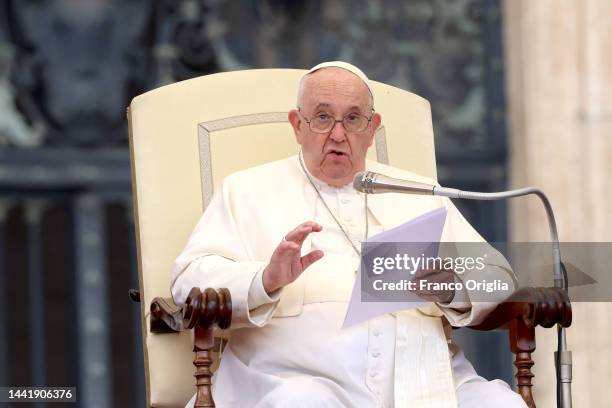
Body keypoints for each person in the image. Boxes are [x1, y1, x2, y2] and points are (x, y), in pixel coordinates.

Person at [172, 61, 526, 408]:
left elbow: (499, 277)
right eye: (323, 117)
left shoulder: (419, 193)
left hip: (422, 381)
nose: (338, 134)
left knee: (501, 402)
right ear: (298, 125)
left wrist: (453, 287)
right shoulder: (246, 191)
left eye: (353, 119)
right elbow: (189, 279)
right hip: (296, 380)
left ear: (372, 128)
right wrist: (264, 279)